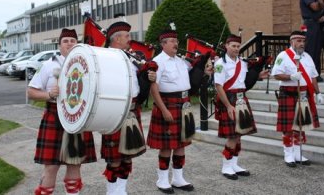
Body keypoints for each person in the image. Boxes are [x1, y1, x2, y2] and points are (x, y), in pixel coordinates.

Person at [28, 28, 97, 195]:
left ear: (77, 44)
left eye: (73, 41)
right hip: (54, 115)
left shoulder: (86, 65)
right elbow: (31, 92)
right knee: (51, 166)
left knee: (75, 163)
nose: (69, 43)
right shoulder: (48, 65)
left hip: (78, 118)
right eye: (65, 41)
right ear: (59, 45)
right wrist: (49, 94)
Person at [147, 29, 210, 194]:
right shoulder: (158, 61)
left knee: (181, 144)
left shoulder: (181, 61)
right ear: (163, 44)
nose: (176, 44)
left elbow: (190, 79)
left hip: (183, 104)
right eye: (172, 41)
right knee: (167, 146)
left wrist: (205, 72)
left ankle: (178, 178)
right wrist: (163, 109)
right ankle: (162, 179)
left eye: (176, 41)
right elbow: (154, 88)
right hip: (168, 103)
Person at [101, 21, 157, 195]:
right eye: (127, 36)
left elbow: (138, 81)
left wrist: (149, 77)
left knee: (128, 154)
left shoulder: (131, 56)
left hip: (133, 109)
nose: (130, 40)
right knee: (114, 157)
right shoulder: (104, 57)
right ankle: (112, 191)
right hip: (115, 110)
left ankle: (121, 190)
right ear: (116, 39)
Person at [213, 34, 269, 180]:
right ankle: (226, 166)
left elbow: (242, 81)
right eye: (233, 46)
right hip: (229, 99)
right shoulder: (220, 64)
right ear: (226, 46)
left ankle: (234, 164)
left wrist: (259, 76)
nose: (236, 49)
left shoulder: (243, 63)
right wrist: (228, 106)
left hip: (241, 99)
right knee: (232, 136)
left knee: (239, 134)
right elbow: (219, 86)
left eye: (238, 46)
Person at [271, 31, 323, 167]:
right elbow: (276, 75)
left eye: (303, 41)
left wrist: (318, 93)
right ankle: (288, 153)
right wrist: (291, 77)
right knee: (288, 126)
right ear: (291, 41)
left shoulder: (307, 57)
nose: (301, 44)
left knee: (301, 125)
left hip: (304, 94)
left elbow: (313, 77)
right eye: (298, 41)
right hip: (288, 93)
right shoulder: (283, 56)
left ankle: (298, 153)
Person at [299, 0, 324, 82]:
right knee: (311, 49)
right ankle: (309, 74)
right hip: (309, 24)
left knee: (317, 49)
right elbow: (315, 7)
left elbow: (323, 6)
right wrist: (319, 1)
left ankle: (316, 74)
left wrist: (319, 0)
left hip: (316, 23)